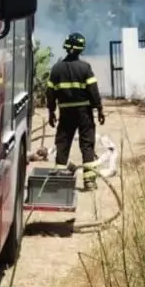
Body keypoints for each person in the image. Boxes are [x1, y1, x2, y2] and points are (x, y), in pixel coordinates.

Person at [45, 32, 104, 191]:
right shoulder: (85, 67)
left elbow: (50, 93)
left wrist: (51, 112)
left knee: (63, 143)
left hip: (65, 113)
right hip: (84, 112)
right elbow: (93, 90)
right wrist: (99, 108)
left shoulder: (56, 69)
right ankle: (89, 181)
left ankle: (59, 179)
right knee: (87, 144)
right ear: (81, 49)